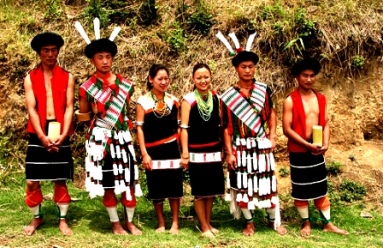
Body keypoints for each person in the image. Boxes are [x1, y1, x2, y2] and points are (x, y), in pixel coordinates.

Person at [76, 32, 142, 235]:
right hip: (101, 141)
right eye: (100, 57)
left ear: (112, 58)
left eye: (108, 57)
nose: (105, 61)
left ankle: (129, 222)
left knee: (129, 181)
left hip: (122, 139)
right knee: (109, 184)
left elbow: (126, 113)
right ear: (92, 60)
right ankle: (115, 223)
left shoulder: (126, 85)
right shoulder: (86, 88)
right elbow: (84, 116)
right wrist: (98, 129)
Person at [220, 51, 287, 236]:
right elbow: (225, 127)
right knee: (243, 185)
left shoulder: (263, 90)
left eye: (251, 66)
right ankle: (249, 223)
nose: (247, 70)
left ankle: (273, 221)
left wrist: (273, 136)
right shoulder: (228, 96)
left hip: (261, 144)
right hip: (240, 146)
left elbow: (271, 113)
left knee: (268, 183)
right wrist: (230, 152)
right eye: (243, 67)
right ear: (236, 69)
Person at [282, 58, 348, 236]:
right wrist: (306, 145)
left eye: (312, 76)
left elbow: (325, 123)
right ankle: (306, 223)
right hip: (299, 150)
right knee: (301, 188)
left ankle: (327, 223)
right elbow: (287, 129)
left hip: (317, 149)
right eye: (305, 75)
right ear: (297, 77)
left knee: (320, 186)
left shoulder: (321, 98)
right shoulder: (290, 100)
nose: (309, 79)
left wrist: (325, 143)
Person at [24, 32, 74, 236]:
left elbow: (70, 107)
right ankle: (37, 217)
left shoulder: (68, 76)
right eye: (46, 50)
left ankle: (63, 220)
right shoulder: (30, 77)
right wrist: (42, 137)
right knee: (32, 180)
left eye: (54, 50)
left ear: (58, 52)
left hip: (61, 129)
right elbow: (31, 109)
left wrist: (63, 134)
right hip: (38, 131)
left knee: (59, 178)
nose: (50, 54)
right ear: (39, 53)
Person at [136, 64, 183, 234]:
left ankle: (175, 222)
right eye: (159, 79)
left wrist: (181, 149)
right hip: (152, 150)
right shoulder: (143, 102)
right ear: (151, 79)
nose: (163, 82)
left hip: (172, 149)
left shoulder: (174, 100)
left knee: (174, 185)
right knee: (156, 186)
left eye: (166, 79)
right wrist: (144, 154)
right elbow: (139, 128)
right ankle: (161, 222)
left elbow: (179, 126)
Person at [179, 63, 225, 238]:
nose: (203, 80)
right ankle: (204, 227)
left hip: (213, 149)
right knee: (200, 190)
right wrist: (185, 153)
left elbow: (218, 125)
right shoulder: (188, 100)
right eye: (199, 77)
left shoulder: (215, 98)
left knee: (211, 189)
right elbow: (184, 128)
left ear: (211, 77)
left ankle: (207, 222)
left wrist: (222, 148)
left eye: (206, 77)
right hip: (196, 152)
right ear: (193, 79)